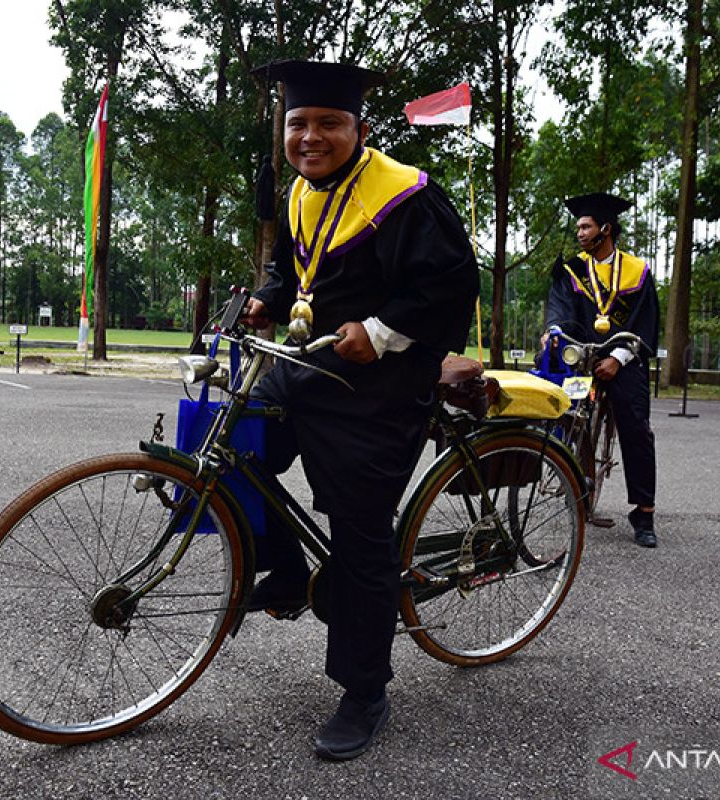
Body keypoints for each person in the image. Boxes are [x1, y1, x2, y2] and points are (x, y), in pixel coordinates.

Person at [239, 59, 479, 761]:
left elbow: (446, 287)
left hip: (382, 389)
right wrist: (269, 298)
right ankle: (282, 567)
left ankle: (364, 688)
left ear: (359, 129)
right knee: (232, 448)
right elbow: (297, 270)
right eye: (298, 123)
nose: (311, 136)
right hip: (311, 365)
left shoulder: (404, 196)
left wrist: (377, 333)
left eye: (328, 123)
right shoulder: (299, 195)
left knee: (360, 536)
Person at [543, 192, 659, 548]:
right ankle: (568, 477)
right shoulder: (571, 270)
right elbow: (559, 311)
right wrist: (555, 334)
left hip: (622, 357)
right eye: (578, 226)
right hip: (583, 355)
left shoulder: (637, 272)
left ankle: (643, 513)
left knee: (636, 427)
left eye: (586, 226)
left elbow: (646, 322)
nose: (580, 233)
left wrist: (619, 357)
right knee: (559, 408)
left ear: (605, 229)